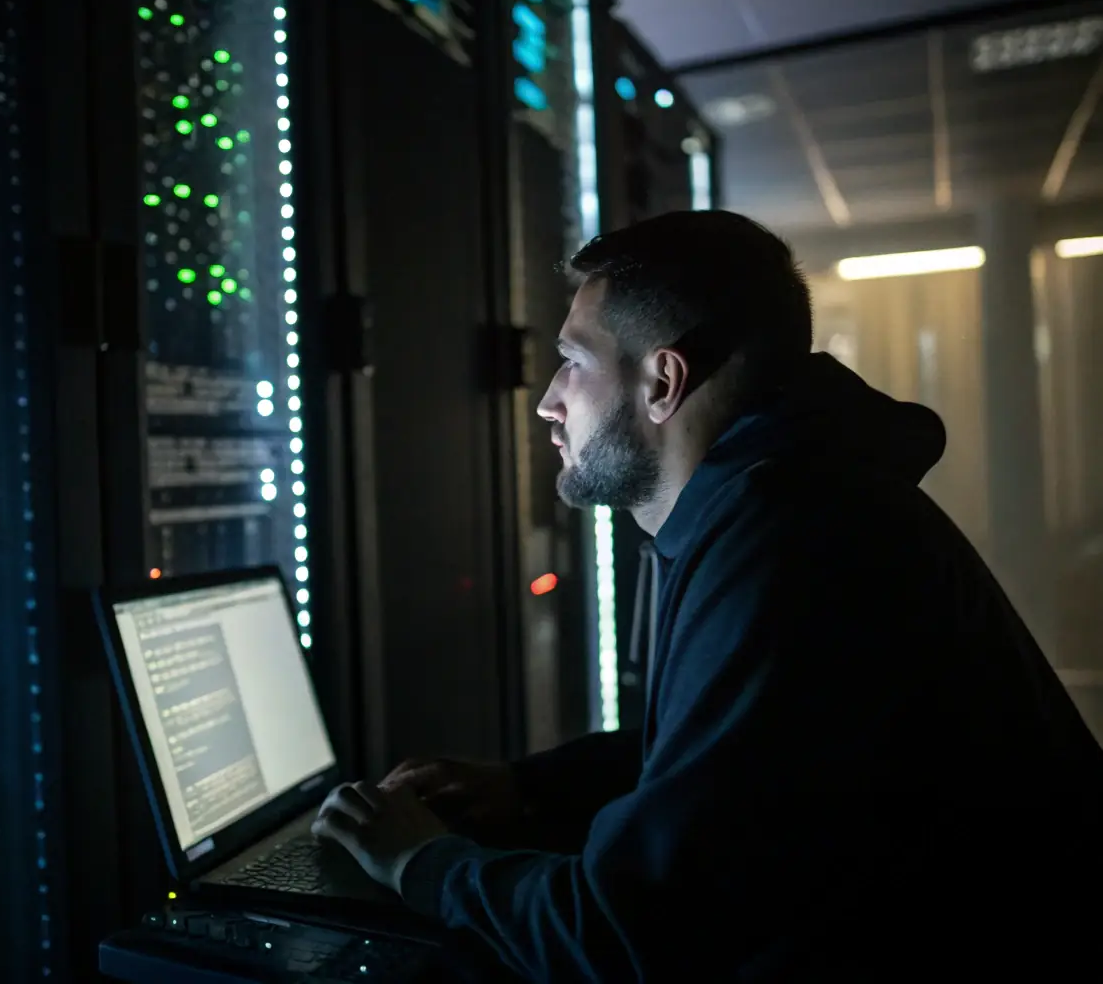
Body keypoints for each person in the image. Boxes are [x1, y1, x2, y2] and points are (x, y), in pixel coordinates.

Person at [311, 211, 1103, 980]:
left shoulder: (789, 541)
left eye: (574, 361)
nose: (549, 399)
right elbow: (732, 765)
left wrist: (422, 862)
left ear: (663, 380)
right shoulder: (786, 501)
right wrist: (526, 789)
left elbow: (627, 938)